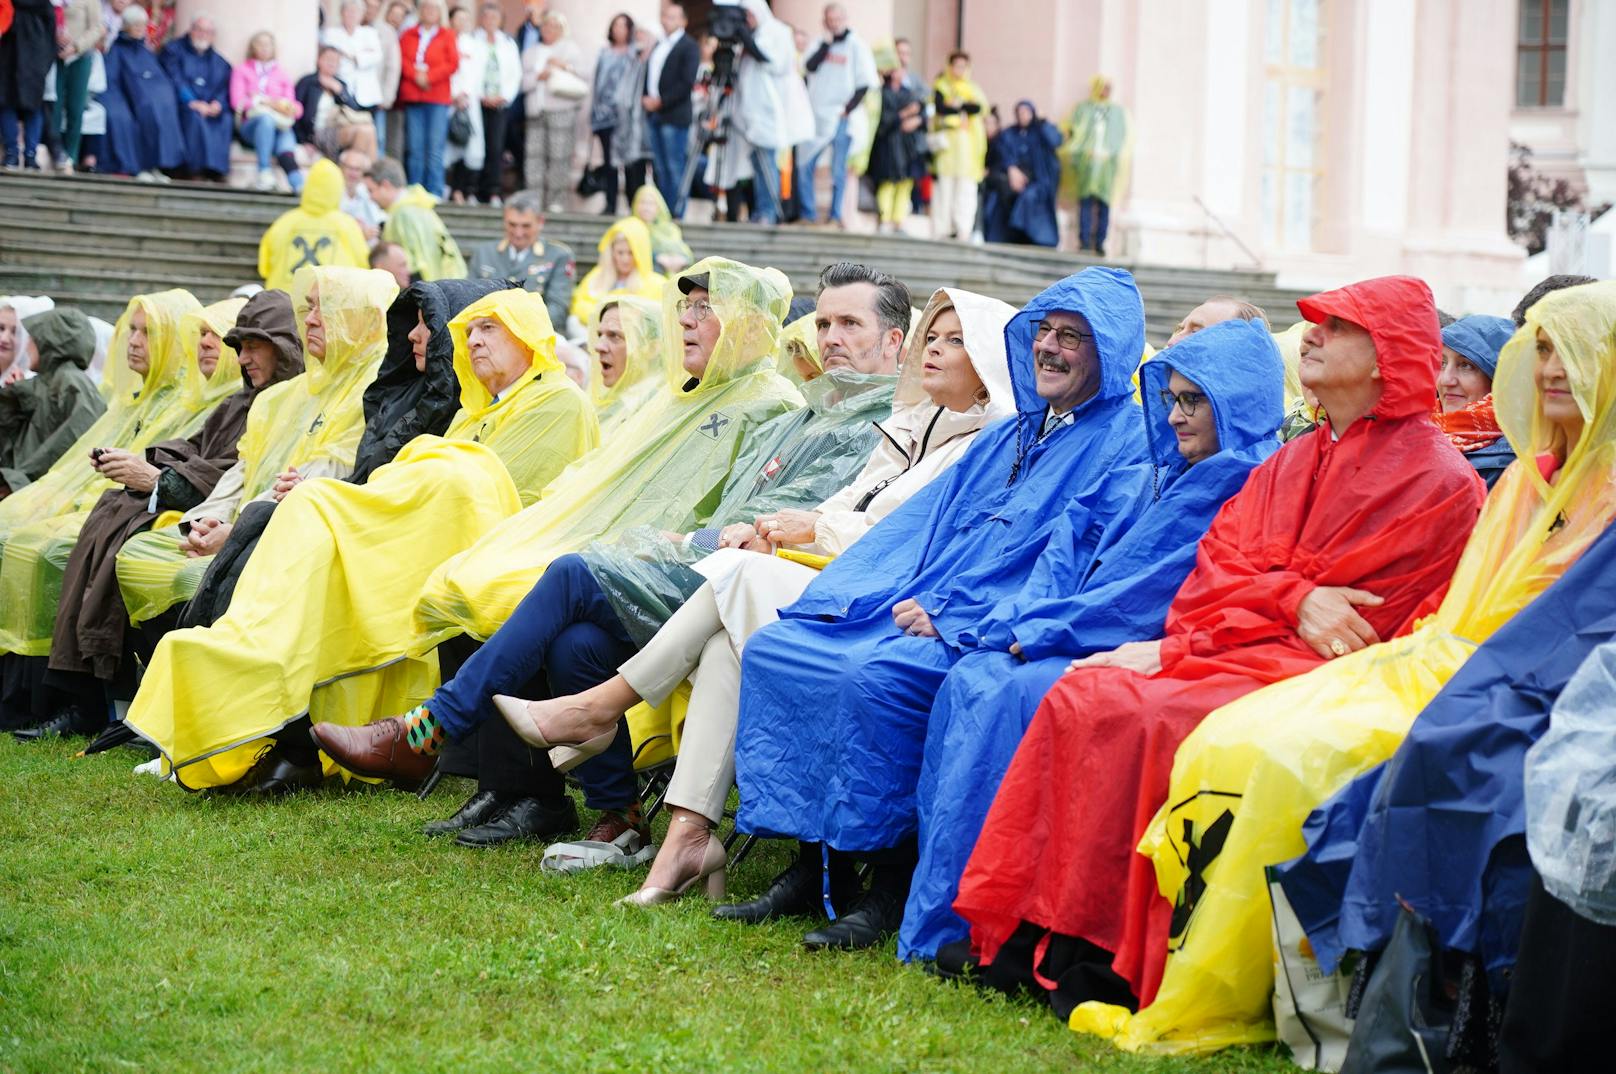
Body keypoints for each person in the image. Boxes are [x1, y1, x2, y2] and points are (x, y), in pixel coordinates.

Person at [951, 276, 1486, 1029]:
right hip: (1234, 643)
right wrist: (1290, 598)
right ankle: (1040, 933)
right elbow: (1213, 577)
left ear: (1387, 356)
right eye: (1314, 322)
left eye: (1337, 325)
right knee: (1086, 696)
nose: (1312, 334)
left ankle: (1126, 961)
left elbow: (1366, 627)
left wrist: (1264, 606)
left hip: (1317, 675)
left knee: (1162, 716)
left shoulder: (1441, 481)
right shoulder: (1291, 461)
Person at [306, 261, 861, 848]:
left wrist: (663, 542)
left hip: (707, 576)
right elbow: (603, 479)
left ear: (748, 323)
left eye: (707, 307)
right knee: (567, 637)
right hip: (662, 562)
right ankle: (616, 813)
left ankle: (428, 731)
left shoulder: (770, 402)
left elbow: (744, 522)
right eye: (685, 307)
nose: (689, 320)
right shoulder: (680, 398)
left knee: (564, 573)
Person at [515, 285, 1016, 901]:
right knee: (728, 638)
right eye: (932, 337)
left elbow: (912, 538)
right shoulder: (910, 426)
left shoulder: (988, 443)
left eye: (957, 340)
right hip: (832, 576)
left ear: (989, 364)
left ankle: (601, 707)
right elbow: (842, 509)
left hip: (882, 601)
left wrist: (809, 529)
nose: (934, 349)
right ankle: (687, 840)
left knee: (732, 572)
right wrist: (779, 531)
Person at [725, 267, 1154, 946]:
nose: (1050, 348)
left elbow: (1074, 558)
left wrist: (960, 613)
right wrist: (848, 593)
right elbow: (917, 527)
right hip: (917, 597)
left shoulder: (1128, 442)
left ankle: (892, 887)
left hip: (989, 619)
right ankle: (813, 865)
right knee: (788, 651)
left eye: (1074, 338)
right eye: (1046, 332)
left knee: (880, 679)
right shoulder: (1009, 434)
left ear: (1111, 351)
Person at [1271, 282, 1616, 1063]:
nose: (1552, 368)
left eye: (1571, 348)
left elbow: (1565, 634)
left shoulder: (1481, 475)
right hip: (1458, 666)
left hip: (1530, 694)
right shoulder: (1526, 479)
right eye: (1542, 349)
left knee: (1425, 762)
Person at [901, 319, 1286, 966]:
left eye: (1196, 401)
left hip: (1132, 650)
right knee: (974, 679)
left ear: (1238, 401)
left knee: (1013, 695)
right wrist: (1022, 621)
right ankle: (948, 912)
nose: (1178, 415)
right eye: (1172, 399)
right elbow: (1067, 544)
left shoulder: (1246, 479)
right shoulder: (1155, 469)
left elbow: (1157, 595)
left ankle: (1002, 921)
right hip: (1068, 635)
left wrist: (1042, 631)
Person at [125, 285, 600, 794]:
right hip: (423, 534)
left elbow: (502, 496)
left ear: (529, 336)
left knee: (310, 518)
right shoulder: (473, 411)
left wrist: (357, 502)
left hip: (482, 548)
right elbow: (425, 482)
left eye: (490, 328)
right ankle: (282, 729)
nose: (474, 341)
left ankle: (281, 722)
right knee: (297, 523)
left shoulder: (558, 403)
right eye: (470, 331)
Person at [110, 270, 410, 672]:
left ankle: (190, 693)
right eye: (309, 307)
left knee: (189, 578)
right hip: (237, 523)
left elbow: (323, 476)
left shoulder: (375, 388)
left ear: (360, 315)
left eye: (324, 307)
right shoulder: (283, 396)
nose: (311, 319)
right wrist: (206, 519)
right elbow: (243, 469)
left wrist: (233, 534)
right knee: (137, 553)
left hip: (285, 534)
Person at [39, 295, 302, 732]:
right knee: (111, 515)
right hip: (209, 517)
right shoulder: (241, 401)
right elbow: (213, 461)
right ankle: (95, 698)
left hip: (246, 525)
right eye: (237, 344)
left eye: (252, 344)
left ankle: (122, 702)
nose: (235, 355)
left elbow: (251, 476)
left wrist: (164, 485)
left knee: (127, 536)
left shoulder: (280, 402)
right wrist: (165, 486)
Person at [0, 308, 106, 495]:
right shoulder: (46, 381)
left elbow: (79, 435)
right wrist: (16, 397)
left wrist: (20, 477)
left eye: (34, 338)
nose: (27, 346)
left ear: (50, 341)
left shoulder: (71, 380)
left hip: (38, 493)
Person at [796, 3, 875, 227]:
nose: (834, 23)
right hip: (817, 116)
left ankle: (835, 215)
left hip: (841, 116)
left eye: (837, 19)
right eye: (830, 19)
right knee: (805, 164)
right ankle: (808, 213)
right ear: (824, 21)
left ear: (845, 19)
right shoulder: (820, 44)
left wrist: (847, 109)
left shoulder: (857, 46)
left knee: (838, 169)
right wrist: (826, 47)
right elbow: (809, 67)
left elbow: (865, 82)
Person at [465, 190, 576, 330]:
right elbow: (468, 300)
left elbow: (558, 310)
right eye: (512, 225)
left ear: (540, 222)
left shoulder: (559, 256)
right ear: (504, 220)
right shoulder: (484, 253)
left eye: (526, 226)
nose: (518, 233)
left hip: (536, 336)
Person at [258, 158, 371, 292]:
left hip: (284, 302)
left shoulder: (283, 222)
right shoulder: (348, 225)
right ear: (338, 187)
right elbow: (364, 265)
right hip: (329, 305)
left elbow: (264, 268)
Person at [100, 5, 183, 181]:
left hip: (150, 99)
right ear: (126, 26)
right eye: (135, 25)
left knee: (163, 111)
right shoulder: (117, 50)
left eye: (142, 25)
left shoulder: (145, 50)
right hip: (129, 100)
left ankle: (155, 166)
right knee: (145, 113)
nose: (140, 29)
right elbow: (112, 80)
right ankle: (139, 167)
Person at [1434, 314, 1517, 488]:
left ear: (1499, 380)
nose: (1446, 380)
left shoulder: (1514, 464)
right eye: (1442, 363)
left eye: (1466, 365)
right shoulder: (1416, 434)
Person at [519, 10, 584, 214]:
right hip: (536, 109)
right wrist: (539, 76)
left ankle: (556, 200)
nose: (549, 29)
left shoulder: (570, 49)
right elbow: (520, 81)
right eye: (546, 25)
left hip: (562, 109)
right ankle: (534, 199)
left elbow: (583, 76)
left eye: (555, 26)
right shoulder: (531, 51)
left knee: (559, 156)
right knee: (533, 156)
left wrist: (563, 66)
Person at [365, 156, 469, 281]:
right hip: (448, 283)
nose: (370, 198)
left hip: (430, 289)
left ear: (386, 185)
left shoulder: (402, 215)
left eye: (371, 190)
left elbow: (413, 264)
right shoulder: (419, 207)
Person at [397, 0, 459, 198]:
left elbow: (452, 63)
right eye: (425, 8)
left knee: (434, 147)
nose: (429, 12)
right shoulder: (408, 34)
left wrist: (429, 77)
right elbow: (403, 60)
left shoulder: (447, 35)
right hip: (414, 96)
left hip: (437, 97)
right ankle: (415, 189)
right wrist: (416, 76)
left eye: (433, 8)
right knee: (415, 147)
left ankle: (434, 190)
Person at [158, 16, 232, 180]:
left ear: (213, 36)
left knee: (224, 119)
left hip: (209, 107)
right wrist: (191, 101)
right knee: (193, 118)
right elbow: (174, 78)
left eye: (208, 32)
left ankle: (215, 170)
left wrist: (218, 103)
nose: (203, 35)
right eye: (199, 30)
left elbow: (223, 87)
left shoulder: (220, 62)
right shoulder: (173, 50)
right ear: (191, 30)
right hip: (185, 104)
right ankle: (194, 169)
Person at [230, 30, 304, 192]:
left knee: (285, 132)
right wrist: (264, 102)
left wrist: (267, 102)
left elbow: (293, 107)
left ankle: (297, 182)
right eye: (260, 44)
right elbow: (237, 102)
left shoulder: (282, 74)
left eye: (268, 44)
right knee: (266, 120)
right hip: (251, 126)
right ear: (253, 47)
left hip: (279, 125)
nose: (264, 48)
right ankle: (264, 171)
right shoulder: (242, 71)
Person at [642, 1, 698, 218]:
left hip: (673, 115)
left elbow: (686, 82)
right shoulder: (659, 44)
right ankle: (662, 211)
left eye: (673, 17)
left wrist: (661, 101)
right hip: (655, 114)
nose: (667, 21)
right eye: (665, 16)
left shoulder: (688, 45)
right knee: (659, 168)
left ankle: (676, 212)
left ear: (683, 21)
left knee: (674, 166)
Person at [982, 100, 1062, 247]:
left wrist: (1043, 121)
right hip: (1013, 178)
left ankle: (1034, 238)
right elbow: (1003, 152)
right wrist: (1011, 168)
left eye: (1026, 112)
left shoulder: (1040, 132)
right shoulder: (1010, 133)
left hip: (1037, 180)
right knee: (1003, 191)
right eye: (1020, 112)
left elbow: (1056, 141)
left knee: (1030, 197)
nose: (1023, 116)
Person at [568, 216, 664, 339]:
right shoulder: (597, 275)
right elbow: (577, 304)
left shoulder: (655, 283)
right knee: (573, 321)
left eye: (631, 253)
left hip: (630, 343)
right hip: (590, 335)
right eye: (620, 252)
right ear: (612, 252)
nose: (625, 259)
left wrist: (599, 313)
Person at [1064, 76, 1130, 256]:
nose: (1105, 91)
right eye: (1103, 87)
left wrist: (1112, 156)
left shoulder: (1116, 112)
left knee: (1104, 204)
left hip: (1106, 164)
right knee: (1085, 202)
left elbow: (1120, 136)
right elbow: (1075, 131)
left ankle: (1100, 241)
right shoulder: (1084, 109)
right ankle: (1084, 240)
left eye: (1109, 87)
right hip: (1088, 162)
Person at [586, 295, 663, 439]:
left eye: (614, 336)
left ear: (652, 348)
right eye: (599, 335)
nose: (598, 346)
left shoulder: (659, 408)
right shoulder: (602, 400)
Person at [465, 1, 519, 206]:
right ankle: (472, 189)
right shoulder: (472, 40)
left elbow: (515, 74)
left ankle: (493, 190)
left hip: (499, 104)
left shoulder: (507, 43)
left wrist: (503, 96)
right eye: (486, 17)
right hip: (476, 101)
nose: (490, 21)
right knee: (474, 146)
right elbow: (469, 70)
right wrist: (479, 95)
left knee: (496, 147)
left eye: (494, 17)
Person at [930, 51, 985, 242]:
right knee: (944, 189)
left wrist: (957, 105)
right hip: (947, 148)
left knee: (965, 191)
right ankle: (941, 229)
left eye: (963, 66)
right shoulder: (941, 86)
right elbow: (940, 108)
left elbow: (977, 108)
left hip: (967, 150)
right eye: (956, 66)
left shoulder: (973, 89)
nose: (959, 70)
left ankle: (963, 229)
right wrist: (961, 106)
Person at [869, 45, 924, 234]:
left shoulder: (908, 92)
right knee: (887, 182)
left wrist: (916, 119)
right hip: (888, 145)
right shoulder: (883, 93)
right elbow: (884, 121)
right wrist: (904, 115)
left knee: (905, 182)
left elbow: (922, 112)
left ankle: (899, 219)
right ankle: (885, 218)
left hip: (906, 146)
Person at [588, 13, 638, 216]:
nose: (619, 29)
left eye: (623, 26)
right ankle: (610, 204)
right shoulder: (604, 53)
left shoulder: (635, 53)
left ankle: (633, 205)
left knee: (629, 163)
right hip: (604, 117)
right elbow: (597, 84)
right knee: (609, 162)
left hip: (627, 117)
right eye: (616, 25)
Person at [294, 45, 378, 161]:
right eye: (328, 59)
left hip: (336, 130)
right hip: (315, 134)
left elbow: (354, 111)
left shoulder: (340, 84)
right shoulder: (307, 82)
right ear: (319, 60)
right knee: (364, 131)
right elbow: (295, 112)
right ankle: (361, 172)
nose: (332, 63)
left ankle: (362, 170)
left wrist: (340, 92)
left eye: (336, 61)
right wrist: (303, 141)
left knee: (369, 129)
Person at [51, 0, 104, 173]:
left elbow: (97, 28)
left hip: (80, 56)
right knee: (53, 105)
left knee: (76, 107)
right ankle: (54, 153)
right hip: (55, 54)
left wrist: (76, 47)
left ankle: (71, 156)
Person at [0, 0, 52, 169]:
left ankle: (14, 154)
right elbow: (51, 33)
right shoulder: (43, 5)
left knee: (10, 105)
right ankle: (27, 155)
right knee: (29, 106)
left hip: (14, 57)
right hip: (30, 59)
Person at [320, 0, 384, 130]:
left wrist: (352, 56)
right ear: (341, 13)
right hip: (342, 89)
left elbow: (376, 56)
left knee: (369, 131)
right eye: (348, 11)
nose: (351, 15)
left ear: (361, 14)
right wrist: (363, 53)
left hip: (367, 93)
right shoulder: (332, 33)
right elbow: (331, 56)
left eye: (355, 12)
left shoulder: (369, 33)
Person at [629, 184, 692, 275]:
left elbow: (683, 249)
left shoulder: (670, 229)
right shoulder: (630, 227)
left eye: (651, 203)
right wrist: (656, 257)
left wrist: (683, 258)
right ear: (635, 205)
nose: (646, 208)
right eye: (642, 202)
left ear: (658, 207)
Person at [369, 0, 403, 158]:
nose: (370, 9)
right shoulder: (351, 26)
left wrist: (387, 96)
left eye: (374, 6)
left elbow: (393, 67)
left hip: (377, 97)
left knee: (379, 140)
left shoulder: (386, 31)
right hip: (350, 97)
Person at [338, 148, 385, 239]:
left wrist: (373, 231)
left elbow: (379, 220)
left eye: (357, 169)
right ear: (341, 168)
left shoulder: (366, 191)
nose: (353, 173)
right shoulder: (333, 191)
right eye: (350, 168)